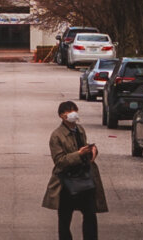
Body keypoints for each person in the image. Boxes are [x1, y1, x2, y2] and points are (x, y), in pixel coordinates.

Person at [42, 99, 108, 240]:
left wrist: (93, 150)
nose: (73, 114)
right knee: (65, 218)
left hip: (85, 177)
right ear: (62, 115)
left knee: (90, 214)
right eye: (69, 111)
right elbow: (59, 161)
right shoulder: (57, 135)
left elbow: (84, 147)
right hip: (67, 181)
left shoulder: (80, 130)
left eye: (74, 110)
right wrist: (79, 154)